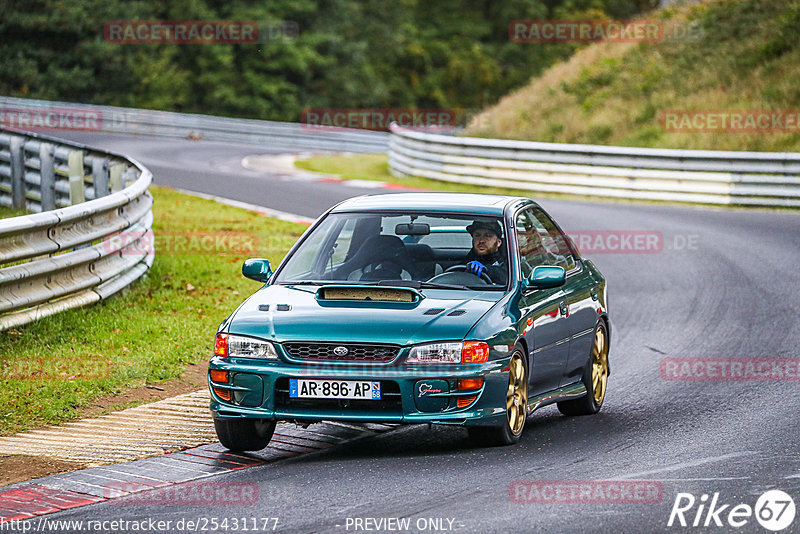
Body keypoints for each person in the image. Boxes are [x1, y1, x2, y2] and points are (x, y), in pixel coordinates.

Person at [464, 220, 508, 285]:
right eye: (477, 235)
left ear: (499, 242)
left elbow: (507, 278)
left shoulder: (508, 258)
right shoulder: (471, 257)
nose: (481, 240)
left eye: (488, 236)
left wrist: (487, 270)